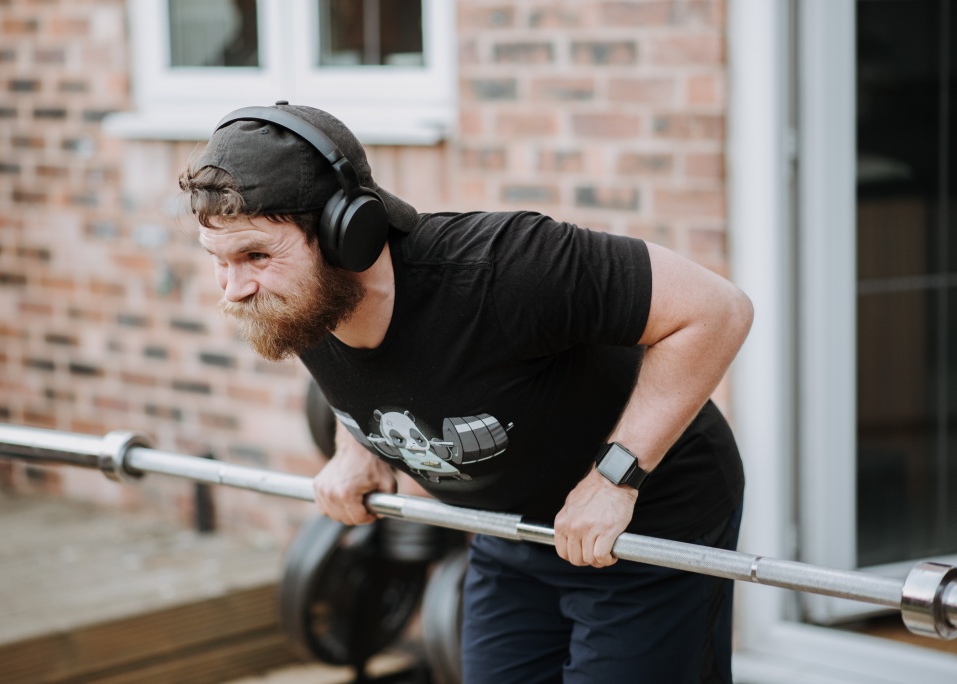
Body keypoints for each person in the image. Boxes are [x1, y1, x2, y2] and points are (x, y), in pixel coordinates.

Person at [180, 102, 752, 684]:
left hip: (646, 522)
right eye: (218, 261)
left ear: (348, 236)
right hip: (513, 529)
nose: (234, 288)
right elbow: (368, 376)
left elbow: (716, 311)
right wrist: (356, 450)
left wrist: (615, 480)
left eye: (254, 255)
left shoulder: (506, 268)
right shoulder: (298, 303)